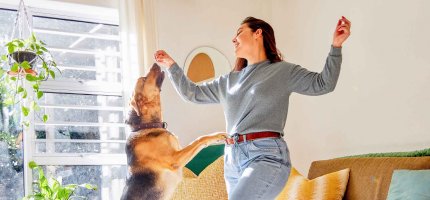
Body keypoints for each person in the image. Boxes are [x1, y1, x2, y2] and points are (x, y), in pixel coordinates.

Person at [154, 16, 351, 200]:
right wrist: (171, 66)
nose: (233, 39)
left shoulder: (283, 71)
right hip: (232, 159)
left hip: (266, 155)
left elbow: (323, 84)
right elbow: (192, 93)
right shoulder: (229, 80)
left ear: (258, 33)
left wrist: (336, 46)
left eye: (239, 32)